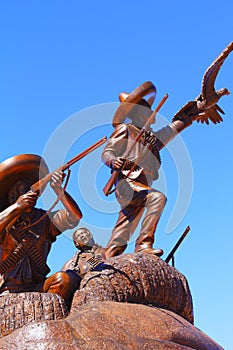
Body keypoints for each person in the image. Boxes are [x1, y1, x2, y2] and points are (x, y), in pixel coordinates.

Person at [102, 81, 195, 259]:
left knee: (124, 229)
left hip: (142, 184)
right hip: (128, 183)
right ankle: (144, 244)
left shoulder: (151, 138)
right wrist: (114, 161)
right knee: (156, 198)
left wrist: (195, 110)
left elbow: (173, 128)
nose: (151, 115)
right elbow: (107, 152)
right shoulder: (126, 129)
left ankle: (109, 255)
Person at [0, 153, 82, 306]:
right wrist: (17, 207)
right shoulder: (5, 219)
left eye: (31, 189)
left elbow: (75, 217)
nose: (31, 193)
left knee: (64, 280)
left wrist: (58, 189)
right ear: (12, 196)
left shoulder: (44, 219)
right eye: (24, 190)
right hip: (7, 290)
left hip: (38, 287)